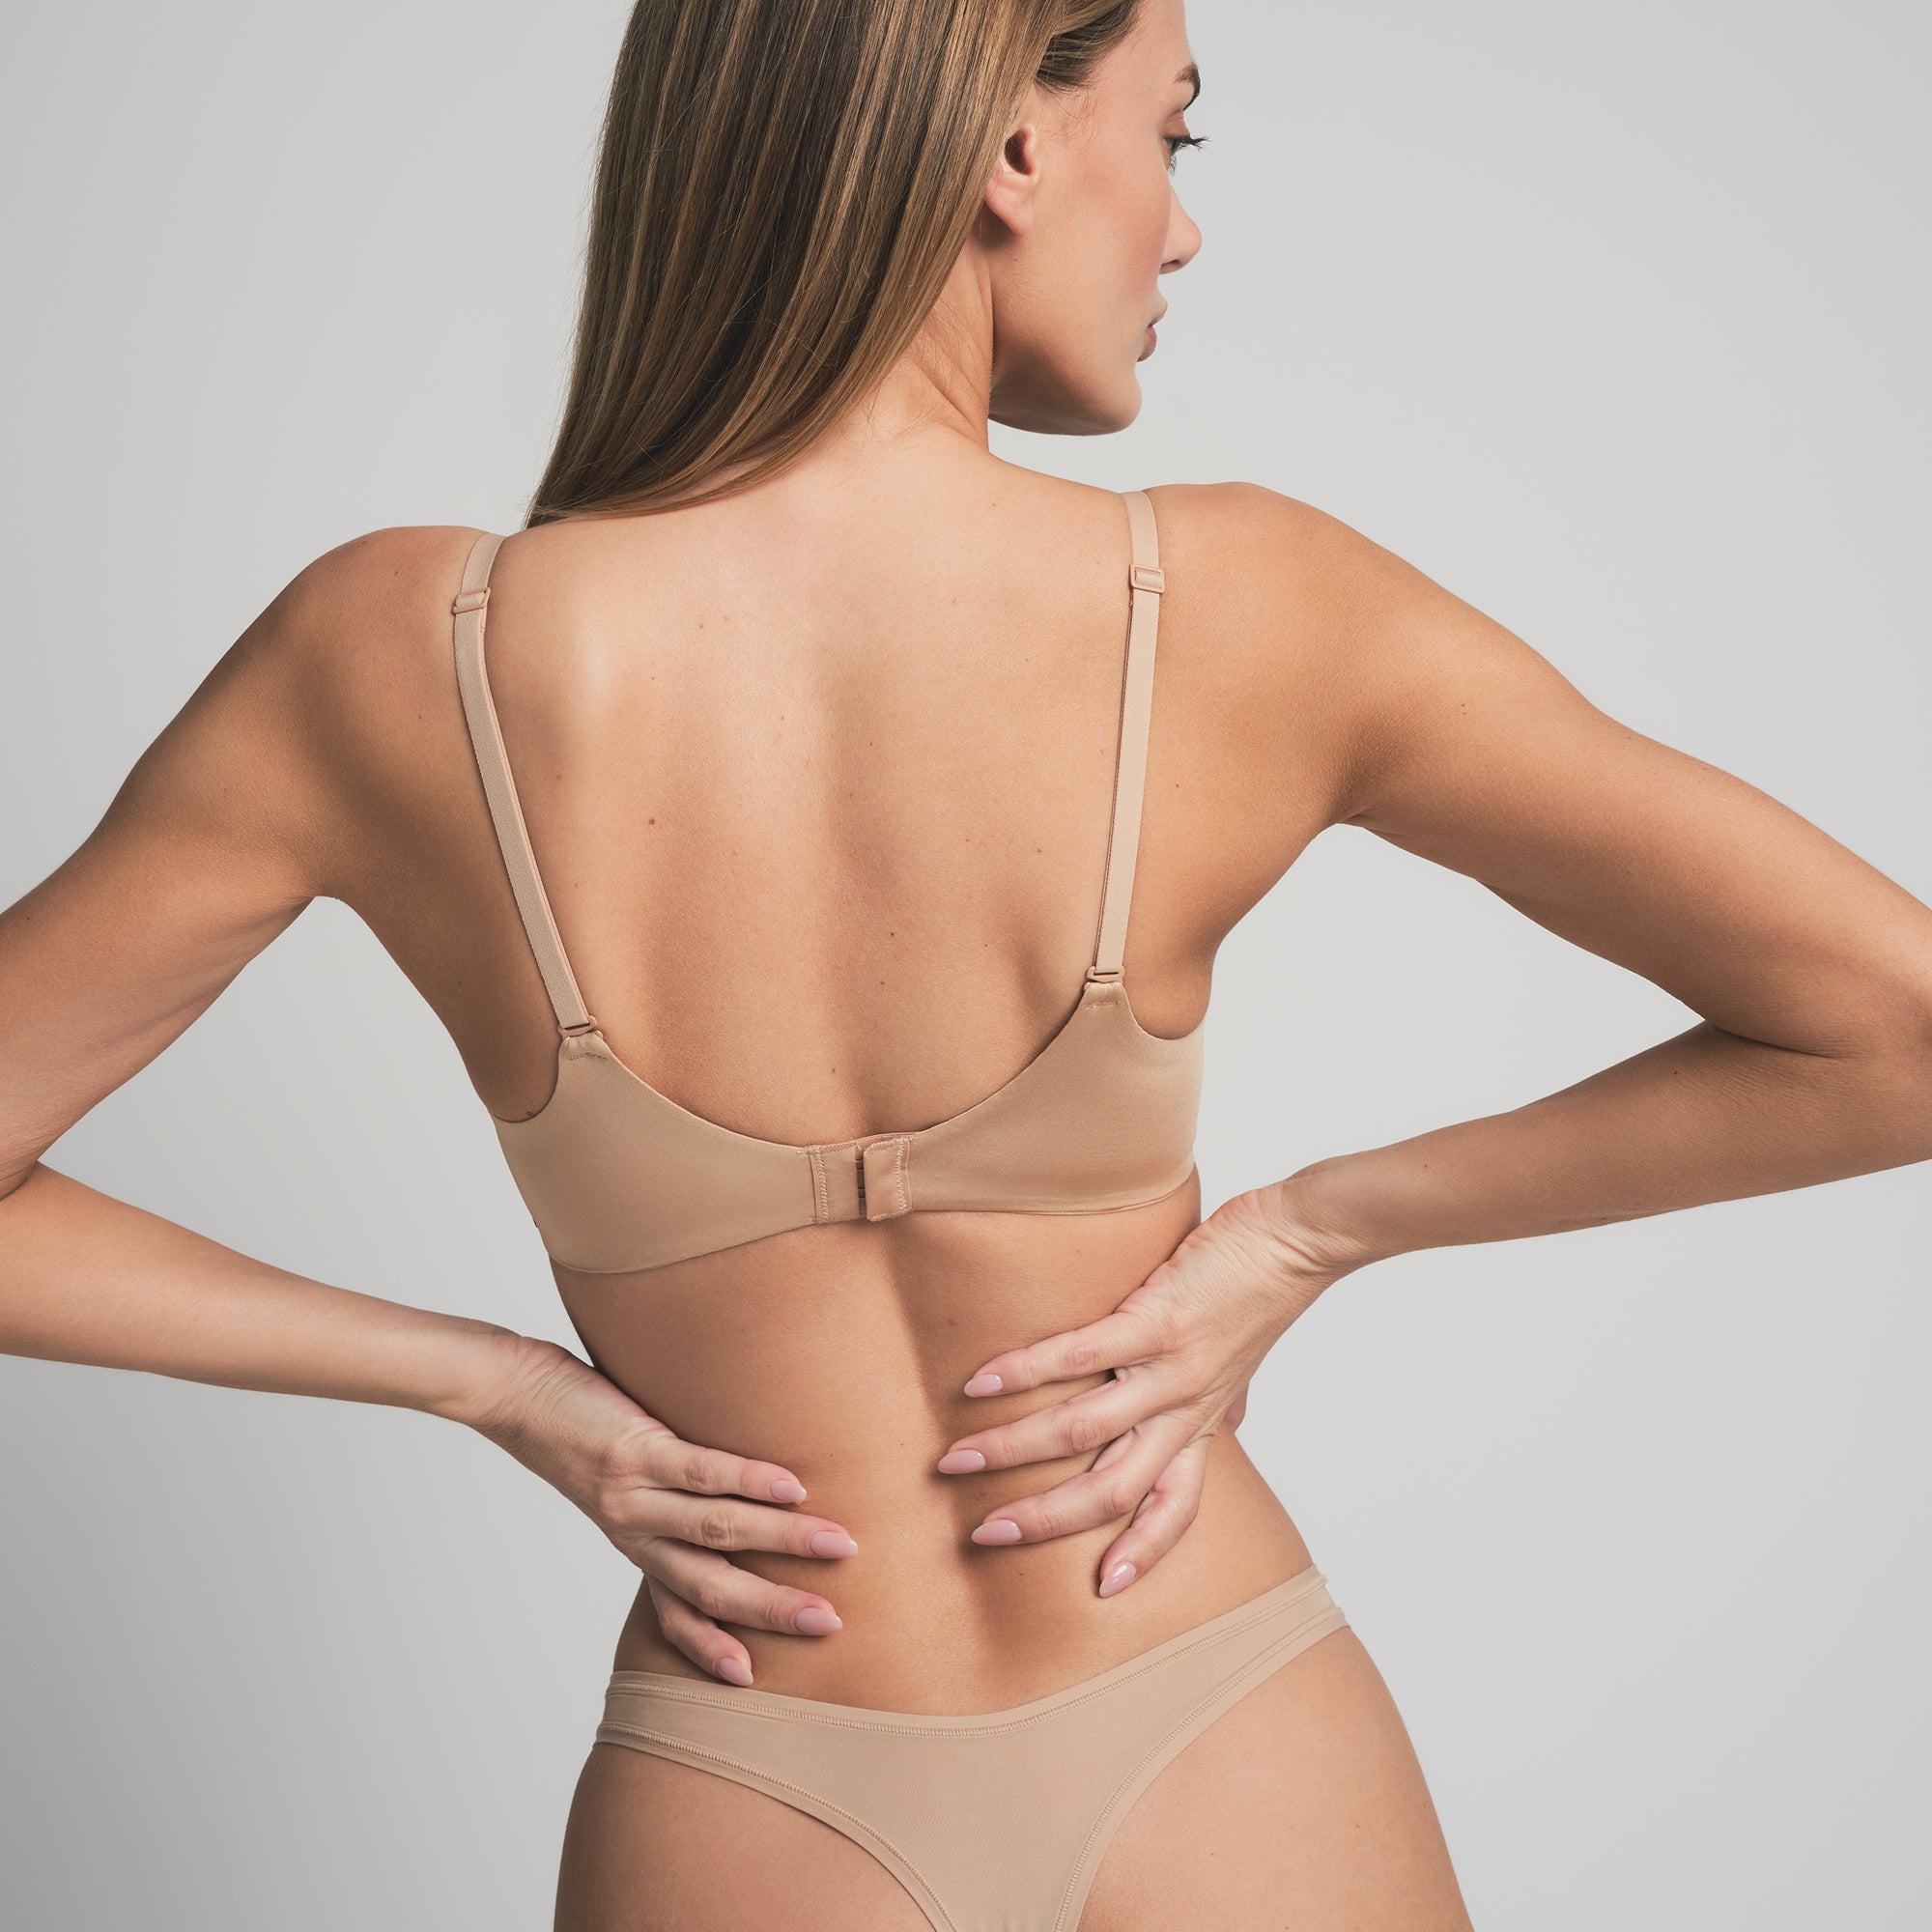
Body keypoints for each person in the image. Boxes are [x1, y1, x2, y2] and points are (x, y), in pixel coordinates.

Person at [4, 1, 1929, 1926]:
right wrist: (1304, 1231)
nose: (1183, 228)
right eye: (1176, 135)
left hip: (750, 1769)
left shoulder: (391, 658)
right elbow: (1899, 1027)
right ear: (1013, 147)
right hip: (1216, 1714)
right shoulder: (1245, 603)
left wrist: (501, 1385)